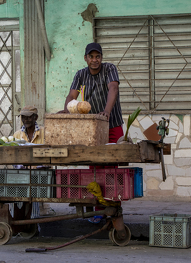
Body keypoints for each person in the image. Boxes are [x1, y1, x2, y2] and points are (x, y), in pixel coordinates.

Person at [59, 42, 124, 223]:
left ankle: (113, 208)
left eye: (98, 56)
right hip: (91, 128)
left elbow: (114, 88)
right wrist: (67, 109)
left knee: (112, 166)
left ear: (101, 58)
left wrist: (107, 112)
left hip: (112, 124)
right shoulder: (80, 74)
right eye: (91, 57)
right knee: (94, 167)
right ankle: (97, 208)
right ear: (86, 58)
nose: (95, 60)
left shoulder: (110, 69)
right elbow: (71, 96)